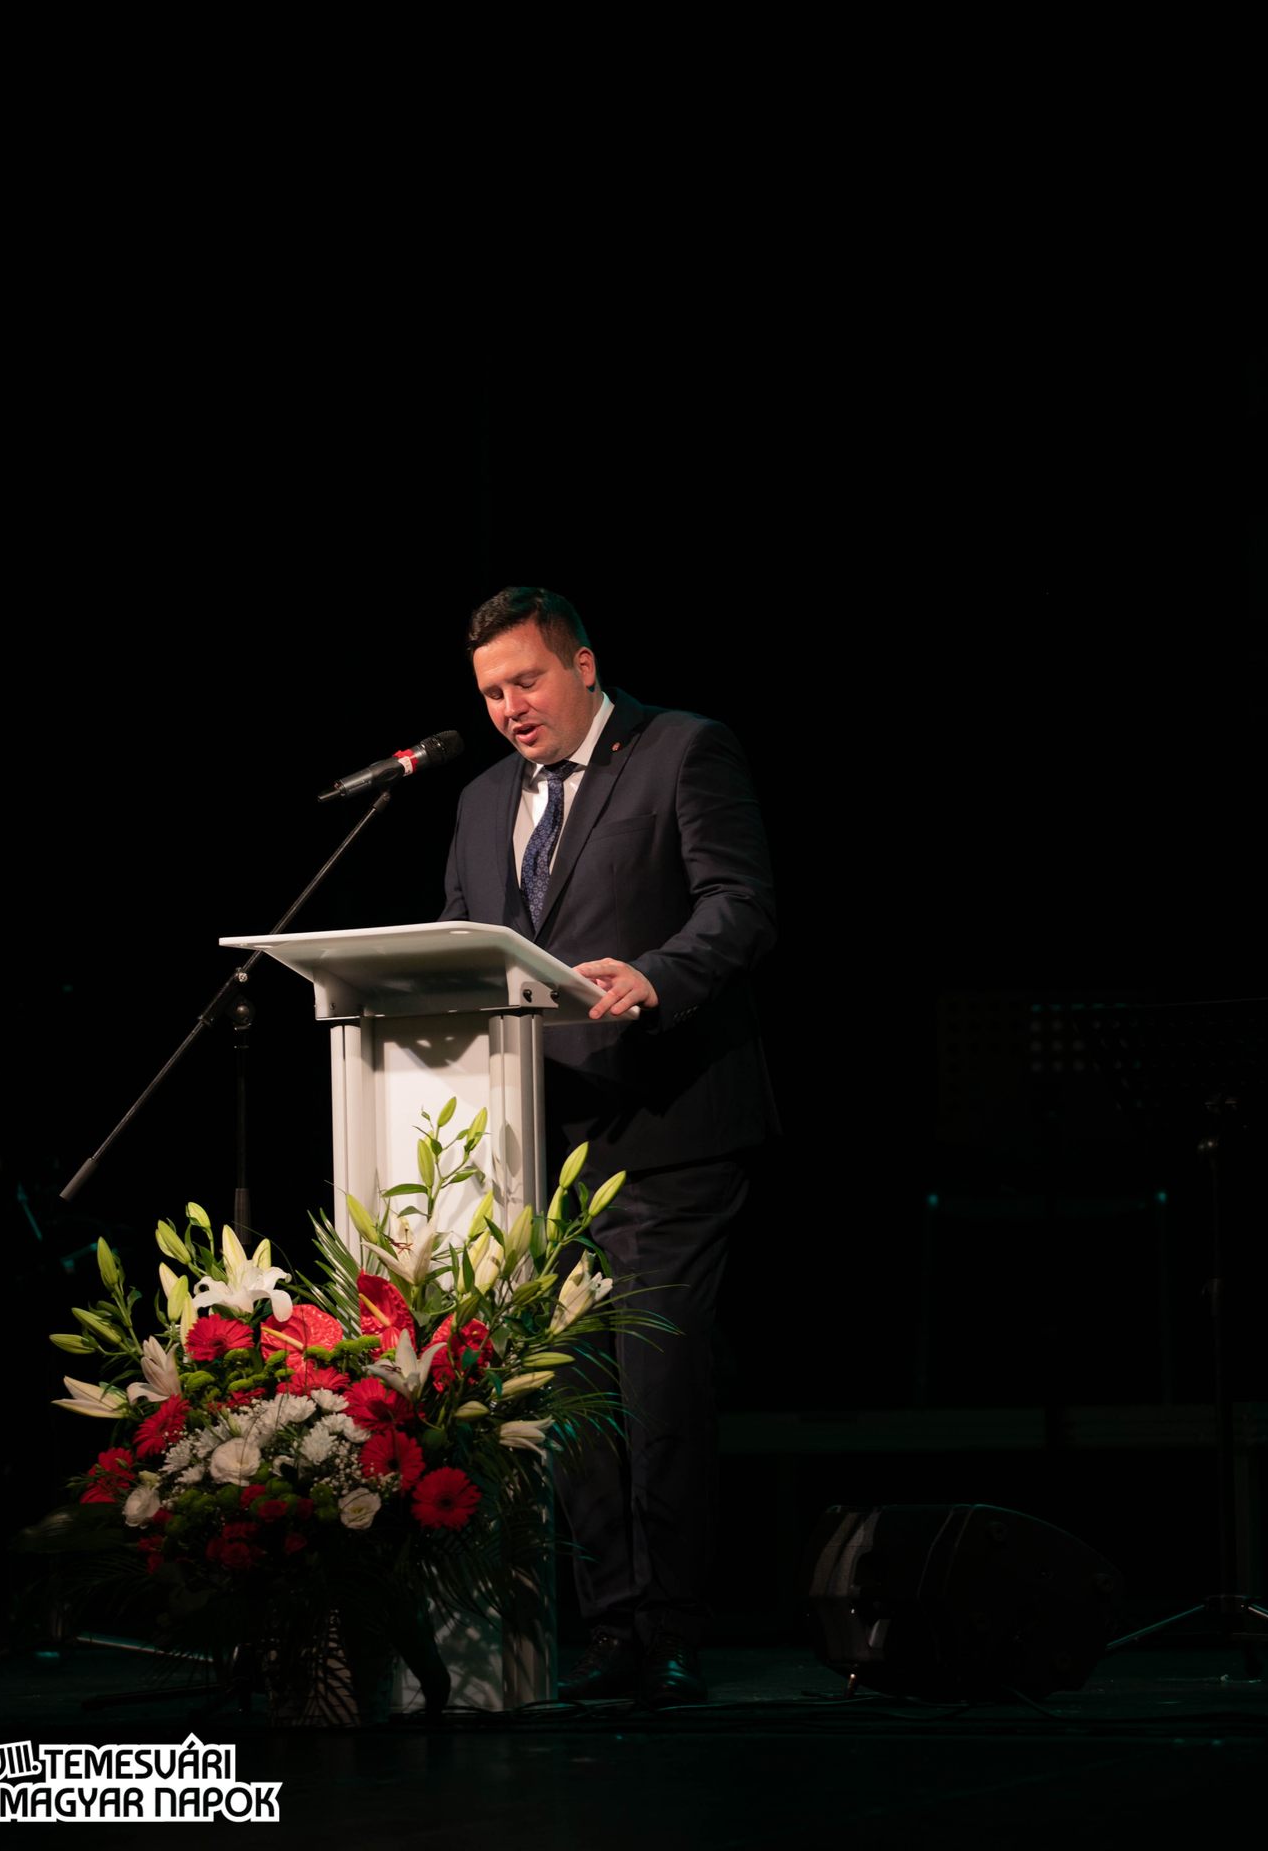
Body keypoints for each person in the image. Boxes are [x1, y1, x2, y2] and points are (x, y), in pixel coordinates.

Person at [441, 586, 778, 1707]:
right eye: (491, 692)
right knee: (572, 1393)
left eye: (526, 680)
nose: (510, 707)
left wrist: (657, 974)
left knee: (658, 1383)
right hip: (535, 1140)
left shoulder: (681, 749)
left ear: (583, 665)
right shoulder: (482, 801)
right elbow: (464, 948)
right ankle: (613, 1629)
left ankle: (673, 1627)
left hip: (667, 1124)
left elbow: (740, 904)